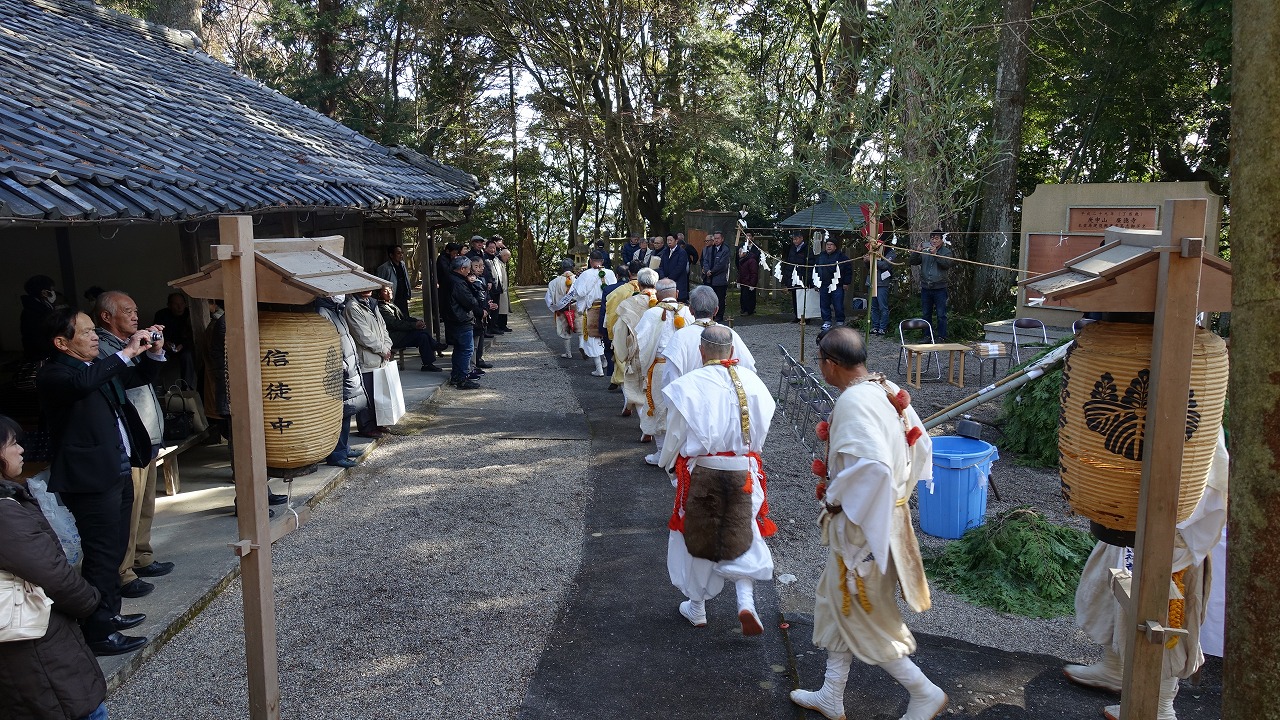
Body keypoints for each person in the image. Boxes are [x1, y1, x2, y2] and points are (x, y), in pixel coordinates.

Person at [791, 327, 947, 720]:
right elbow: (921, 443)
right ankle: (831, 694)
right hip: (883, 514)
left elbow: (873, 468)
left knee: (865, 612)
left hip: (866, 525)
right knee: (835, 601)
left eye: (819, 362)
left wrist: (837, 499)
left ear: (830, 363)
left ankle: (924, 691)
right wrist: (903, 490)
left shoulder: (855, 403)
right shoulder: (884, 387)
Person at [1063, 430, 1228, 720]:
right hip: (1134, 513)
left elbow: (1206, 486)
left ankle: (1159, 706)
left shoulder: (1197, 413)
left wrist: (1170, 526)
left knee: (1164, 618)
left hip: (1176, 531)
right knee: (1108, 587)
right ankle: (1116, 668)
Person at [37, 307, 160, 657]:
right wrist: (126, 352)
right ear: (61, 343)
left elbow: (133, 380)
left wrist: (153, 352)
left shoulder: (91, 367)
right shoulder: (56, 374)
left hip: (115, 468)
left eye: (94, 330)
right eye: (87, 332)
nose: (95, 337)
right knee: (101, 556)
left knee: (115, 548)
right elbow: (85, 385)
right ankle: (98, 632)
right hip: (90, 479)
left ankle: (111, 614)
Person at [659, 325, 776, 636]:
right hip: (744, 470)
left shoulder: (689, 385)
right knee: (743, 531)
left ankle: (697, 608)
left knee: (699, 537)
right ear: (733, 351)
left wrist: (668, 465)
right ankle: (746, 601)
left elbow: (674, 436)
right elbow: (760, 435)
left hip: (704, 471)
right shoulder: (754, 384)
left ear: (701, 351)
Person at [0, 414, 112, 719]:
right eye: (12, 444)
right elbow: (52, 575)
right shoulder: (4, 514)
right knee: (73, 704)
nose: (21, 450)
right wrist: (90, 600)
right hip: (33, 648)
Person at [93, 292, 174, 600]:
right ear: (106, 317)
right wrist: (133, 350)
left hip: (148, 434)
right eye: (127, 312)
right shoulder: (104, 347)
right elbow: (125, 381)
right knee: (130, 505)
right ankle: (123, 572)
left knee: (146, 503)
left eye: (136, 311)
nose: (135, 317)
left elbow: (144, 377)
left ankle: (141, 556)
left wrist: (154, 349)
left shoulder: (130, 343)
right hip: (129, 438)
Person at [633, 279, 694, 456]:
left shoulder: (652, 314)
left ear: (657, 295)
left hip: (660, 367)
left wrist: (641, 367)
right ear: (676, 293)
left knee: (659, 408)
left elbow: (640, 343)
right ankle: (682, 452)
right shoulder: (689, 313)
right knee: (681, 408)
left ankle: (661, 453)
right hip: (685, 368)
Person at [662, 285, 755, 384]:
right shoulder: (730, 334)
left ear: (691, 310)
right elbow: (749, 369)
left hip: (691, 396)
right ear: (716, 310)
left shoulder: (680, 337)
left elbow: (670, 378)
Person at [316, 295, 364, 468]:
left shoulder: (336, 310)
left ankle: (344, 447)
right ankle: (336, 454)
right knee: (339, 412)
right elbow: (326, 343)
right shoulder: (323, 311)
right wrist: (341, 364)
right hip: (339, 371)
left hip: (348, 366)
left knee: (348, 409)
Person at [343, 289, 394, 438]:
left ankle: (378, 423)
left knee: (378, 393)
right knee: (367, 395)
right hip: (367, 358)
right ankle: (366, 426)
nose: (369, 289)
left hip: (380, 356)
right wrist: (383, 350)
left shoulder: (372, 304)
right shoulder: (352, 307)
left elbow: (383, 329)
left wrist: (387, 346)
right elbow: (363, 335)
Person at [571, 251, 617, 377]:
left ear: (591, 261)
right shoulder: (610, 273)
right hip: (607, 307)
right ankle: (605, 362)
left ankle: (599, 368)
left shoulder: (586, 274)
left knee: (593, 336)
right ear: (602, 261)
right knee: (605, 335)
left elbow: (579, 293)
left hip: (592, 308)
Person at [376, 287, 441, 372]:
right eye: (385, 291)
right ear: (379, 294)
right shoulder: (381, 308)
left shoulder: (390, 304)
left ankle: (428, 363)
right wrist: (414, 325)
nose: (389, 293)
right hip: (393, 336)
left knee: (423, 336)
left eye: (390, 290)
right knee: (421, 334)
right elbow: (395, 324)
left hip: (399, 334)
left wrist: (416, 321)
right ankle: (434, 346)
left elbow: (404, 318)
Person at [445, 256, 482, 389]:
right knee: (466, 349)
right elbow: (470, 302)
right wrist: (475, 292)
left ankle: (456, 375)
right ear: (462, 269)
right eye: (468, 268)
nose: (469, 271)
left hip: (453, 318)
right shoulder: (458, 282)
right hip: (461, 319)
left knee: (459, 349)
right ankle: (461, 378)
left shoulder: (449, 278)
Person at [908, 230, 953, 341]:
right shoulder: (925, 251)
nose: (934, 240)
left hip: (940, 288)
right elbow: (912, 261)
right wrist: (917, 252)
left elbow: (947, 264)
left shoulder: (946, 252)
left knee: (941, 314)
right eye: (932, 238)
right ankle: (927, 335)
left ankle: (942, 336)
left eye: (936, 238)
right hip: (926, 287)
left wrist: (936, 255)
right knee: (926, 314)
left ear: (942, 240)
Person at [604, 262, 642, 391]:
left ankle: (622, 381)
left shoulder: (619, 291)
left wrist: (610, 330)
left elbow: (611, 311)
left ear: (630, 273)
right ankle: (618, 379)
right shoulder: (651, 291)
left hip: (625, 328)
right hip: (643, 328)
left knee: (621, 354)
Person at [151, 291, 196, 387]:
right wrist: (165, 343)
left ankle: (187, 389)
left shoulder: (190, 314)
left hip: (184, 347)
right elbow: (156, 333)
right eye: (176, 304)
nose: (180, 307)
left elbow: (194, 335)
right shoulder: (161, 315)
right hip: (166, 347)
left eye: (182, 304)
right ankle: (155, 387)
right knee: (155, 356)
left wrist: (182, 345)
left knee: (187, 356)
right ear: (169, 305)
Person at [468, 257, 497, 378]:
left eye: (481, 266)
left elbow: (484, 296)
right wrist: (483, 309)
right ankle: (471, 367)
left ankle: (477, 362)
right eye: (476, 266)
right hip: (475, 315)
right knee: (472, 345)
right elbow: (474, 300)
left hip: (482, 314)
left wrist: (489, 305)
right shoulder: (470, 282)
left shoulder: (482, 279)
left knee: (479, 341)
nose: (480, 269)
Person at [815, 239, 854, 331]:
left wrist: (846, 282)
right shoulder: (821, 256)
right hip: (824, 283)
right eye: (827, 244)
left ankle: (840, 321)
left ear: (835, 246)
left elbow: (848, 270)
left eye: (831, 244)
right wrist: (816, 282)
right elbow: (816, 270)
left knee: (838, 304)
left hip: (837, 284)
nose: (829, 246)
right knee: (824, 304)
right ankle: (827, 321)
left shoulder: (842, 257)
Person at [544, 259, 578, 360]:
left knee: (565, 331)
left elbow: (548, 298)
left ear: (562, 268)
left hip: (562, 308)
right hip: (576, 307)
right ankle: (583, 349)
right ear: (572, 267)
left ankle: (568, 353)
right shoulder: (578, 279)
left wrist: (554, 307)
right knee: (580, 330)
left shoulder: (554, 282)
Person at [20, 274, 59, 361]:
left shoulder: (43, 306)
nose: (53, 293)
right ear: (44, 292)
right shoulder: (33, 311)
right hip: (41, 355)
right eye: (52, 290)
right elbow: (38, 338)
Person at [782, 231, 815, 322]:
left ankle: (806, 317)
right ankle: (797, 315)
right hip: (793, 275)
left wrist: (808, 279)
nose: (795, 241)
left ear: (801, 238)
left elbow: (810, 265)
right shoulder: (792, 249)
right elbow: (789, 263)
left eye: (796, 239)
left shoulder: (807, 249)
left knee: (803, 298)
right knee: (795, 296)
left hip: (803, 275)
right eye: (793, 239)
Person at [699, 231, 732, 322]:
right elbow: (705, 260)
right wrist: (707, 270)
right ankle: (710, 314)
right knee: (710, 298)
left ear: (722, 239)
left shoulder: (725, 250)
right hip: (709, 278)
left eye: (718, 238)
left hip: (720, 279)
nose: (716, 240)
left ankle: (719, 315)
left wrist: (712, 271)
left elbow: (722, 264)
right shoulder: (710, 249)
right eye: (715, 238)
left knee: (720, 298)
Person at [375, 245, 414, 318]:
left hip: (403, 297)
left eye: (402, 253)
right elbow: (379, 284)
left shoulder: (402, 265)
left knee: (405, 317)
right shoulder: (384, 268)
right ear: (391, 255)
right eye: (398, 253)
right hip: (393, 298)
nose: (401, 255)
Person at [868, 235, 896, 335]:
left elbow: (885, 265)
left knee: (883, 306)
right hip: (872, 281)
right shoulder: (871, 250)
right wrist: (867, 260)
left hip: (882, 283)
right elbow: (867, 266)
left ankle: (883, 327)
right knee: (873, 306)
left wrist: (873, 259)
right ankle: (875, 326)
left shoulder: (891, 253)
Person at [659, 235, 689, 301]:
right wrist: (663, 277)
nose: (669, 242)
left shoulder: (682, 252)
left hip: (678, 282)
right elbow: (661, 266)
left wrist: (669, 278)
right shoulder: (665, 252)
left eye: (671, 240)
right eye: (667, 240)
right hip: (665, 283)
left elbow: (680, 267)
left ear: (676, 241)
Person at [737, 242, 760, 316]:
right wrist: (739, 281)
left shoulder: (752, 261)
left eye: (740, 252)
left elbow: (754, 273)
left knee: (749, 297)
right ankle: (743, 309)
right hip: (743, 281)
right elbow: (740, 272)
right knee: (743, 297)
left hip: (749, 282)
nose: (739, 254)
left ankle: (749, 310)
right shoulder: (742, 260)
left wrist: (752, 284)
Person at [494, 246, 512, 333]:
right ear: (504, 255)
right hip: (500, 289)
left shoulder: (501, 262)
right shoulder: (497, 262)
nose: (508, 259)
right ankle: (501, 325)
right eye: (507, 257)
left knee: (504, 309)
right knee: (501, 309)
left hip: (504, 290)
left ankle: (503, 325)